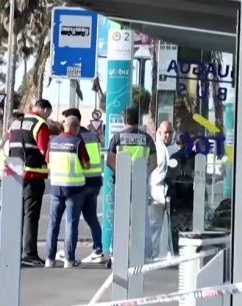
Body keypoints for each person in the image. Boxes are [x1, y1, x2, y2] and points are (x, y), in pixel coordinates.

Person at [107, 106, 158, 258]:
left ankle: (116, 251)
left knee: (120, 217)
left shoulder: (117, 138)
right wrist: (143, 175)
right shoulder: (147, 138)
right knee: (142, 218)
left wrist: (122, 174)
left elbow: (110, 160)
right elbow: (154, 162)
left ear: (124, 120)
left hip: (122, 182)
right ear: (139, 119)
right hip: (140, 182)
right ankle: (146, 253)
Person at [8, 99, 52, 267]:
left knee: (16, 215)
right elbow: (44, 150)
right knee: (31, 216)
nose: (48, 116)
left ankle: (13, 251)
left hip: (14, 174)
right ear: (45, 110)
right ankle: (29, 254)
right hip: (33, 175)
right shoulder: (40, 124)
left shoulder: (16, 123)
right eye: (48, 113)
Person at [45, 115, 91, 268]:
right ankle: (69, 260)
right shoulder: (77, 142)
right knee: (71, 223)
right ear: (76, 127)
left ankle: (49, 259)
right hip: (74, 188)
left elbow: (47, 160)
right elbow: (86, 164)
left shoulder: (53, 142)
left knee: (53, 223)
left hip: (56, 187)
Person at [61, 108, 105, 264]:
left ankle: (69, 254)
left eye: (65, 120)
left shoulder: (74, 138)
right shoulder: (93, 135)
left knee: (72, 219)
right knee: (91, 217)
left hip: (80, 182)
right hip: (95, 181)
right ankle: (98, 249)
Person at [149, 121, 178, 259]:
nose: (168, 135)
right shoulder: (154, 148)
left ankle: (173, 254)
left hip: (172, 191)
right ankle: (152, 255)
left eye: (170, 132)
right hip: (156, 191)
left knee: (173, 225)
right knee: (154, 225)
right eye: (165, 132)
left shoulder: (175, 150)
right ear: (159, 133)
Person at [0, 112, 22, 246]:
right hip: (6, 177)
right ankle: (2, 244)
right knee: (5, 212)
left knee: (3, 210)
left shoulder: (6, 137)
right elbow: (13, 159)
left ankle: (2, 243)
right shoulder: (12, 139)